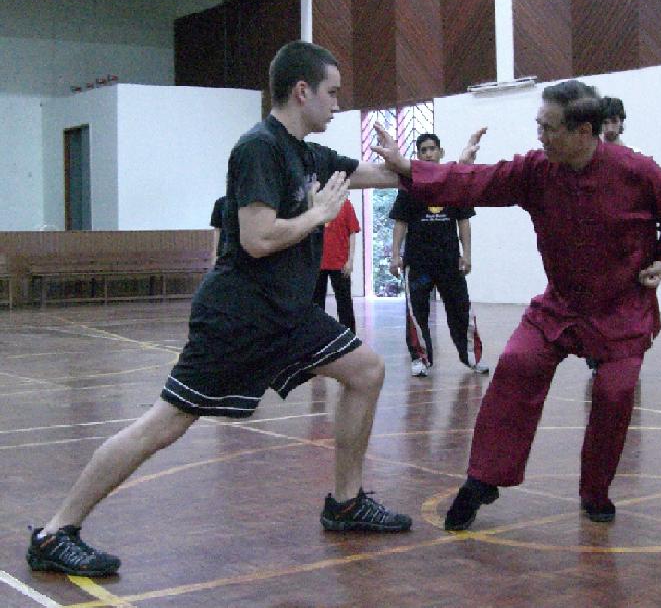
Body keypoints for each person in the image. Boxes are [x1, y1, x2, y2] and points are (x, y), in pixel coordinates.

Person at [26, 41, 411, 579]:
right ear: (302, 92)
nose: (337, 104)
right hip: (239, 315)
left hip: (288, 313)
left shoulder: (311, 154)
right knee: (166, 423)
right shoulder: (258, 148)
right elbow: (257, 238)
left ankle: (346, 503)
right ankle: (55, 532)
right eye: (331, 93)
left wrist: (409, 165)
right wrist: (318, 216)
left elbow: (385, 178)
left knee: (366, 369)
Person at [371, 80, 661, 529]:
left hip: (622, 308)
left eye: (549, 128)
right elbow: (476, 181)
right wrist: (409, 167)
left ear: (584, 132)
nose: (539, 136)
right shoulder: (536, 170)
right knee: (518, 364)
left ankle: (595, 490)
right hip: (560, 304)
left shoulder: (636, 170)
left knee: (614, 392)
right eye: (537, 125)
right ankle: (483, 479)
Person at [389, 133, 488, 378]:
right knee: (417, 313)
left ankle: (471, 359)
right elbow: (400, 223)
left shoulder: (454, 184)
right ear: (418, 155)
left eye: (432, 149)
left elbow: (464, 222)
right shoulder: (410, 186)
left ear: (441, 152)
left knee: (461, 310)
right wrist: (395, 256)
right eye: (423, 150)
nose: (428, 154)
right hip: (418, 264)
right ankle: (420, 359)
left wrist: (467, 255)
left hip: (449, 263)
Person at [312, 194, 360, 332]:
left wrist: (350, 260)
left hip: (340, 263)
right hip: (318, 263)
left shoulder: (345, 205)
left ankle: (349, 335)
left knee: (344, 302)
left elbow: (352, 233)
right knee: (316, 303)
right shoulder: (315, 206)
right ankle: (317, 335)